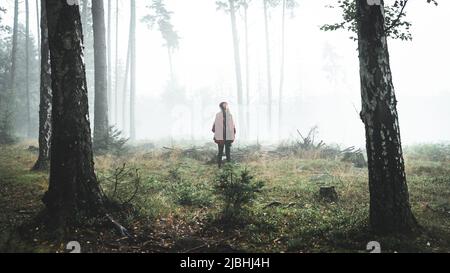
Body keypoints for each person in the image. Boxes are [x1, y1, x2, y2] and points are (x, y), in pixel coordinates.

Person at [212, 102, 236, 168]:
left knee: (226, 152)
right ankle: (220, 166)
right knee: (221, 152)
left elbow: (232, 125)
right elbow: (215, 126)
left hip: (227, 136)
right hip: (221, 136)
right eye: (224, 106)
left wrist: (232, 132)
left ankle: (227, 167)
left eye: (226, 106)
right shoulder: (219, 115)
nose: (225, 107)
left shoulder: (229, 115)